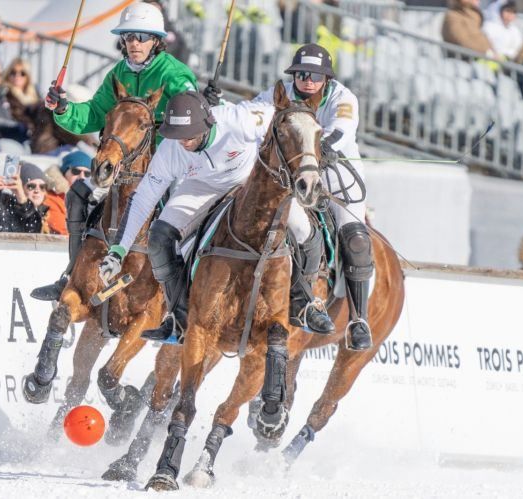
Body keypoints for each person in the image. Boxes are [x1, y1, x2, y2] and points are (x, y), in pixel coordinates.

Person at [96, 91, 328, 344]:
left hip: (250, 183)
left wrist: (312, 153)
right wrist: (118, 250)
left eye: (190, 135)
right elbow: (143, 198)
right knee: (160, 236)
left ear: (207, 125)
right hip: (201, 186)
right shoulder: (171, 149)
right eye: (178, 136)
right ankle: (179, 316)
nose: (184, 142)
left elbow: (292, 120)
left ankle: (303, 304)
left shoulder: (241, 120)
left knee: (306, 232)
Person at [32, 1, 198, 301]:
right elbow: (94, 114)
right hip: (126, 163)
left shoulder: (174, 73)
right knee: (79, 195)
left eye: (142, 37)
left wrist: (200, 103)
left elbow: (192, 115)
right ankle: (70, 275)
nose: (134, 43)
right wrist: (63, 108)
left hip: (169, 162)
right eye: (129, 36)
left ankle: (183, 298)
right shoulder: (118, 73)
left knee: (182, 217)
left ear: (156, 41)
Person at [225, 43, 375, 349]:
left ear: (326, 79)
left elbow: (341, 129)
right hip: (292, 170)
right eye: (301, 73)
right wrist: (219, 110)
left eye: (315, 75)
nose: (307, 80)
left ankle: (359, 319)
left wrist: (321, 149)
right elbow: (251, 113)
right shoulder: (280, 92)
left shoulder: (342, 97)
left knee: (356, 237)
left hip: (336, 170)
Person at [3, 58, 40, 128]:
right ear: (8, 74)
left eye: (22, 73)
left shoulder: (34, 92)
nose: (17, 76)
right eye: (13, 72)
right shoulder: (5, 92)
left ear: (28, 76)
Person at [43, 163, 69, 235]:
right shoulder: (51, 197)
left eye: (87, 173)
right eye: (76, 171)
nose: (82, 176)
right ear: (64, 173)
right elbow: (62, 230)